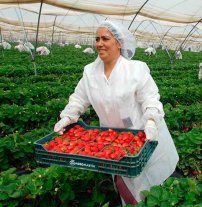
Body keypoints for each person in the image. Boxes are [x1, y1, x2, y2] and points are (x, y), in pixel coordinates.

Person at [53, 20, 179, 205]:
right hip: (112, 138)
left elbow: (150, 99)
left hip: (142, 134)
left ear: (119, 43)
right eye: (97, 39)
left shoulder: (136, 69)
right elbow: (79, 98)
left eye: (105, 38)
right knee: (124, 180)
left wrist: (151, 121)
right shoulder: (90, 72)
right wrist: (67, 116)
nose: (99, 43)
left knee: (149, 181)